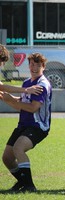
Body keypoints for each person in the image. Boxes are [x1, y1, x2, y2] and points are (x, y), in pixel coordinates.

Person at [0, 52, 52, 192]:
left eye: (37, 65)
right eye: (31, 64)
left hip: (38, 126)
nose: (34, 67)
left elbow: (33, 107)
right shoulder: (27, 83)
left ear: (43, 66)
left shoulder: (42, 85)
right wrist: (10, 98)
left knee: (18, 148)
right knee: (7, 158)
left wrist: (11, 101)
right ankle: (22, 181)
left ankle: (29, 186)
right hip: (23, 125)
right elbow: (22, 102)